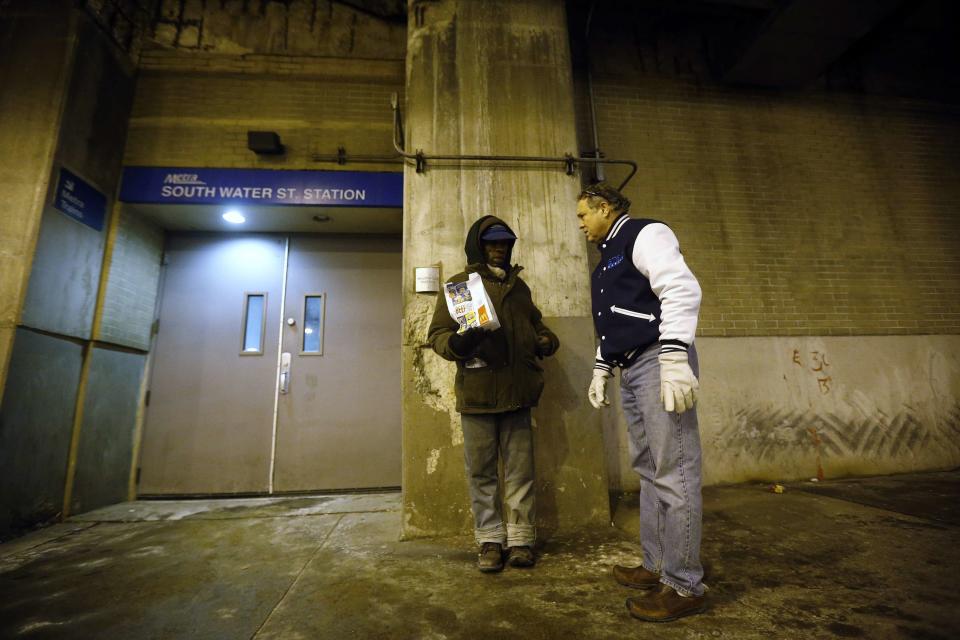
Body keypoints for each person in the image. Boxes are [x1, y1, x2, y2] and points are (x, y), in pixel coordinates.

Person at [576, 181, 706, 621]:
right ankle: (655, 565)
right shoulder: (605, 262)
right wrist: (601, 365)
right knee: (649, 472)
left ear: (605, 207)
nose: (581, 224)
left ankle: (684, 585)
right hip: (630, 368)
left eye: (583, 215)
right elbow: (615, 323)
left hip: (657, 361)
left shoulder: (645, 234)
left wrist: (673, 355)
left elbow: (681, 289)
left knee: (676, 473)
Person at [428, 215, 559, 573]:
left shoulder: (520, 288)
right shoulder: (460, 285)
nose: (499, 249)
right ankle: (490, 541)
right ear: (478, 246)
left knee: (520, 471)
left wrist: (546, 339)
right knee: (482, 472)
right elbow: (437, 335)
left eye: (504, 243)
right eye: (492, 243)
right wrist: (456, 342)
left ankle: (520, 542)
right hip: (478, 395)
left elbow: (535, 323)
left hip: (518, 393)